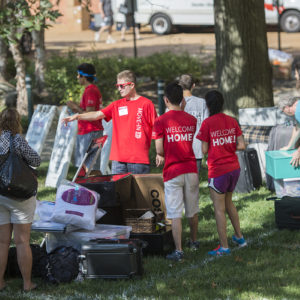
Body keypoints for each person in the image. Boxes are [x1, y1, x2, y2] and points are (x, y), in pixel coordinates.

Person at [63, 70, 157, 174]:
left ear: (132, 85)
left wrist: (160, 153)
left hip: (138, 159)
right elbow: (96, 115)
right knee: (118, 190)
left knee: (138, 190)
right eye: (117, 86)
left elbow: (157, 130)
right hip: (118, 160)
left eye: (122, 86)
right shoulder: (117, 104)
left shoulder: (147, 104)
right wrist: (77, 116)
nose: (119, 89)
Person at [152, 82, 199, 261]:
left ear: (165, 100)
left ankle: (179, 250)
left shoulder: (161, 121)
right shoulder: (191, 120)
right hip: (191, 169)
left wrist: (159, 154)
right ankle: (194, 241)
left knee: (174, 212)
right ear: (183, 100)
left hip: (173, 170)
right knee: (192, 209)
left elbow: (159, 149)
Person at [196, 90, 246, 256]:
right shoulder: (232, 120)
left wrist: (216, 147)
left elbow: (203, 150)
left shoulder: (207, 123)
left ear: (208, 105)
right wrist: (227, 145)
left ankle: (224, 247)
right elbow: (241, 145)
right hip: (234, 169)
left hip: (218, 171)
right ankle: (239, 237)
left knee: (219, 209)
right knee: (229, 203)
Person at [0, 108, 41, 292]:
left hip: (1, 195)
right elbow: (37, 160)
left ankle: (0, 283)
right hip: (20, 195)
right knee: (22, 241)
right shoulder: (18, 140)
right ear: (18, 122)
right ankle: (27, 284)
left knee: (2, 242)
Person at [66, 63, 103, 171]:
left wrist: (75, 108)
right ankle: (87, 186)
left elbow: (90, 113)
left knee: (89, 167)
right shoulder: (90, 89)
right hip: (88, 131)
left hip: (90, 131)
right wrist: (76, 106)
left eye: (78, 75)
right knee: (85, 167)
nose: (77, 78)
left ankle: (90, 187)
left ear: (84, 76)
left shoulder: (91, 90)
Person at [178, 74, 209, 174]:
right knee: (194, 183)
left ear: (179, 85)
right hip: (196, 147)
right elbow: (206, 126)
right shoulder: (202, 103)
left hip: (179, 147)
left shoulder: (174, 102)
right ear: (193, 85)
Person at [278, 96, 300, 167]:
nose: (284, 113)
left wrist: (299, 152)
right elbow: (297, 129)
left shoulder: (298, 112)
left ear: (287, 107)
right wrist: (289, 146)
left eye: (282, 110)